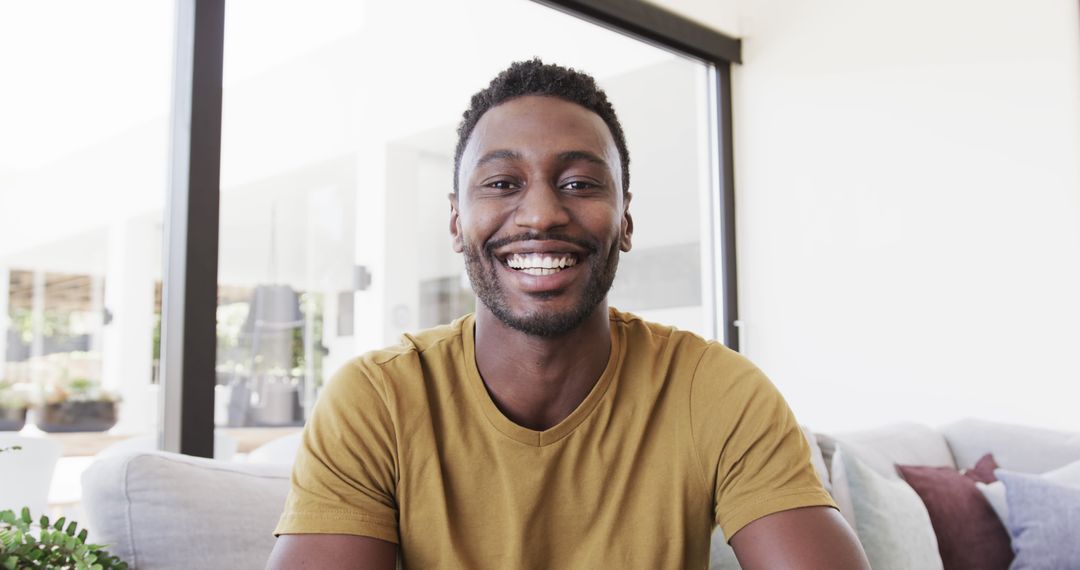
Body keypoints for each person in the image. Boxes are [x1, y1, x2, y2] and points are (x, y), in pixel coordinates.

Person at [266, 59, 869, 569]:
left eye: (580, 184)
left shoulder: (714, 390)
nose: (541, 215)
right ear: (456, 221)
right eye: (502, 183)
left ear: (625, 219)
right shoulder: (376, 400)